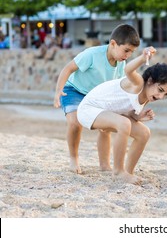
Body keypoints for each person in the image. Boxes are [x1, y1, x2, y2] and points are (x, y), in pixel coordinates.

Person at [77, 50, 167, 184]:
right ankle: (119, 172)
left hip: (107, 113)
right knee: (124, 124)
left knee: (144, 133)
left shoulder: (147, 97)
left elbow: (127, 111)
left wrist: (138, 117)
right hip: (88, 109)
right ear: (150, 81)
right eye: (160, 90)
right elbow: (128, 69)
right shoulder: (138, 83)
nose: (160, 97)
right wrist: (142, 58)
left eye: (166, 94)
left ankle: (128, 172)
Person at [54, 24, 140, 174]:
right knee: (75, 122)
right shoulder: (92, 54)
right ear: (113, 44)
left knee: (105, 128)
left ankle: (104, 165)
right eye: (126, 50)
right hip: (74, 90)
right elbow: (68, 68)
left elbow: (118, 87)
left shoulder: (121, 64)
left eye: (131, 52)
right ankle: (74, 158)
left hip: (97, 97)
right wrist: (58, 91)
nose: (128, 55)